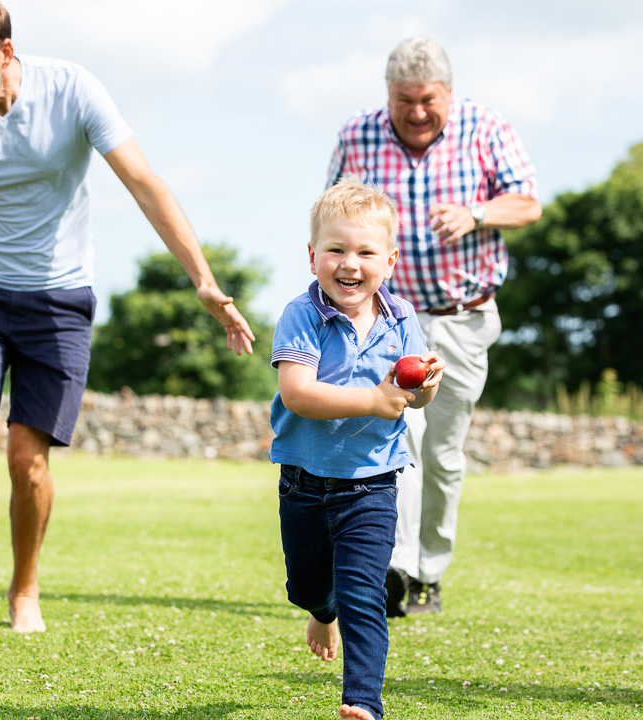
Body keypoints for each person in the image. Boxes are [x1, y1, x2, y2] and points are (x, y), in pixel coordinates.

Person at [0, 0, 255, 633]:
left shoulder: (72, 90)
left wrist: (203, 282)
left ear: (6, 52)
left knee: (27, 459)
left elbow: (145, 184)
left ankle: (25, 587)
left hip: (59, 299)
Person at [327, 36, 541, 617]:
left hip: (461, 319)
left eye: (428, 100)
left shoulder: (486, 128)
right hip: (387, 317)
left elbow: (527, 204)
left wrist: (477, 215)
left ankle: (430, 572)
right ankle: (392, 570)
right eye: (404, 101)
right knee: (397, 442)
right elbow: (332, 212)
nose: (417, 112)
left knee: (442, 452)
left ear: (448, 92)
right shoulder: (357, 135)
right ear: (388, 95)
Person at [270, 176, 445, 720]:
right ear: (312, 256)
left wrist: (427, 383)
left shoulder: (401, 319)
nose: (351, 263)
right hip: (304, 480)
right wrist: (372, 400)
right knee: (307, 587)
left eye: (366, 251)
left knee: (365, 595)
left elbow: (414, 398)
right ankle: (320, 611)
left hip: (372, 481)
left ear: (390, 261)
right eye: (336, 249)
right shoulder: (303, 314)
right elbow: (297, 394)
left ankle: (363, 702)